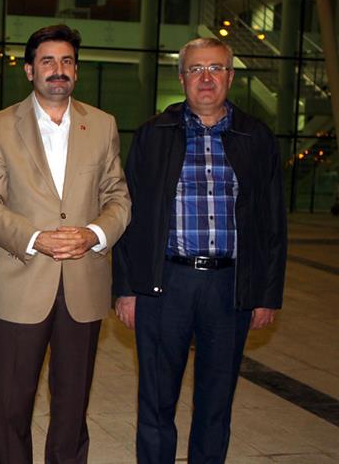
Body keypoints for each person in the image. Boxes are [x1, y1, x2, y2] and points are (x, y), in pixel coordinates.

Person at [112, 37, 287, 464]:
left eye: (215, 68)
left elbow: (272, 220)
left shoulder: (256, 136)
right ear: (182, 78)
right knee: (156, 400)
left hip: (229, 288)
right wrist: (126, 288)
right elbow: (126, 214)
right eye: (196, 69)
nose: (206, 78)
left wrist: (266, 294)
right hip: (164, 284)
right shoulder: (154, 134)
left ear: (230, 76)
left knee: (216, 403)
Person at [0, 24, 131, 464]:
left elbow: (118, 197)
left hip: (84, 284)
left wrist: (93, 234)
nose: (57, 70)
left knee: (72, 405)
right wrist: (34, 237)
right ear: (29, 70)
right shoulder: (0, 125)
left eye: (66, 61)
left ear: (76, 71)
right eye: (47, 61)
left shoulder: (102, 125)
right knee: (12, 403)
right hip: (21, 283)